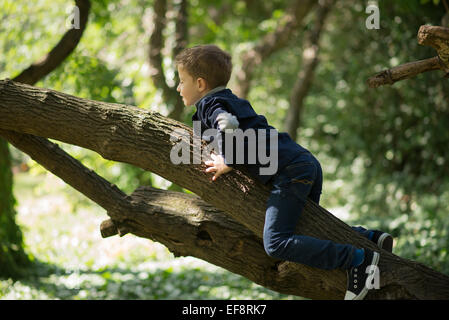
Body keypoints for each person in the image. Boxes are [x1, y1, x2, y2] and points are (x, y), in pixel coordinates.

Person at [174, 44, 393, 300]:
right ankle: (371, 238)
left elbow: (227, 123)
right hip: (302, 162)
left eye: (182, 81)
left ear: (200, 84)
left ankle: (358, 260)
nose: (179, 88)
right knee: (307, 227)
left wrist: (227, 159)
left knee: (276, 243)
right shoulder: (232, 99)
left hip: (289, 171)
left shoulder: (211, 105)